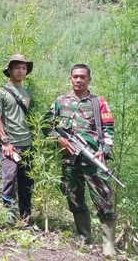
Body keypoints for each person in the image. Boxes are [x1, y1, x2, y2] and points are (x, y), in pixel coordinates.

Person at [44, 64, 117, 256]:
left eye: (83, 77)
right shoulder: (60, 102)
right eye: (75, 76)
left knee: (104, 200)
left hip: (93, 160)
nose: (79, 80)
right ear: (70, 79)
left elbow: (109, 129)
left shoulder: (98, 102)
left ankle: (108, 245)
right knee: (74, 197)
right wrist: (58, 139)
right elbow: (46, 125)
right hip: (70, 160)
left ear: (89, 79)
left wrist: (104, 150)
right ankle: (84, 237)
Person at [0, 54, 34, 225]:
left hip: (28, 143)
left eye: (24, 68)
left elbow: (31, 119)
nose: (20, 71)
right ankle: (8, 215)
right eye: (17, 67)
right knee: (9, 177)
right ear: (9, 70)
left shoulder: (28, 93)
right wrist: (5, 141)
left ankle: (26, 215)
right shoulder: (0, 92)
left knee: (27, 181)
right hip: (10, 144)